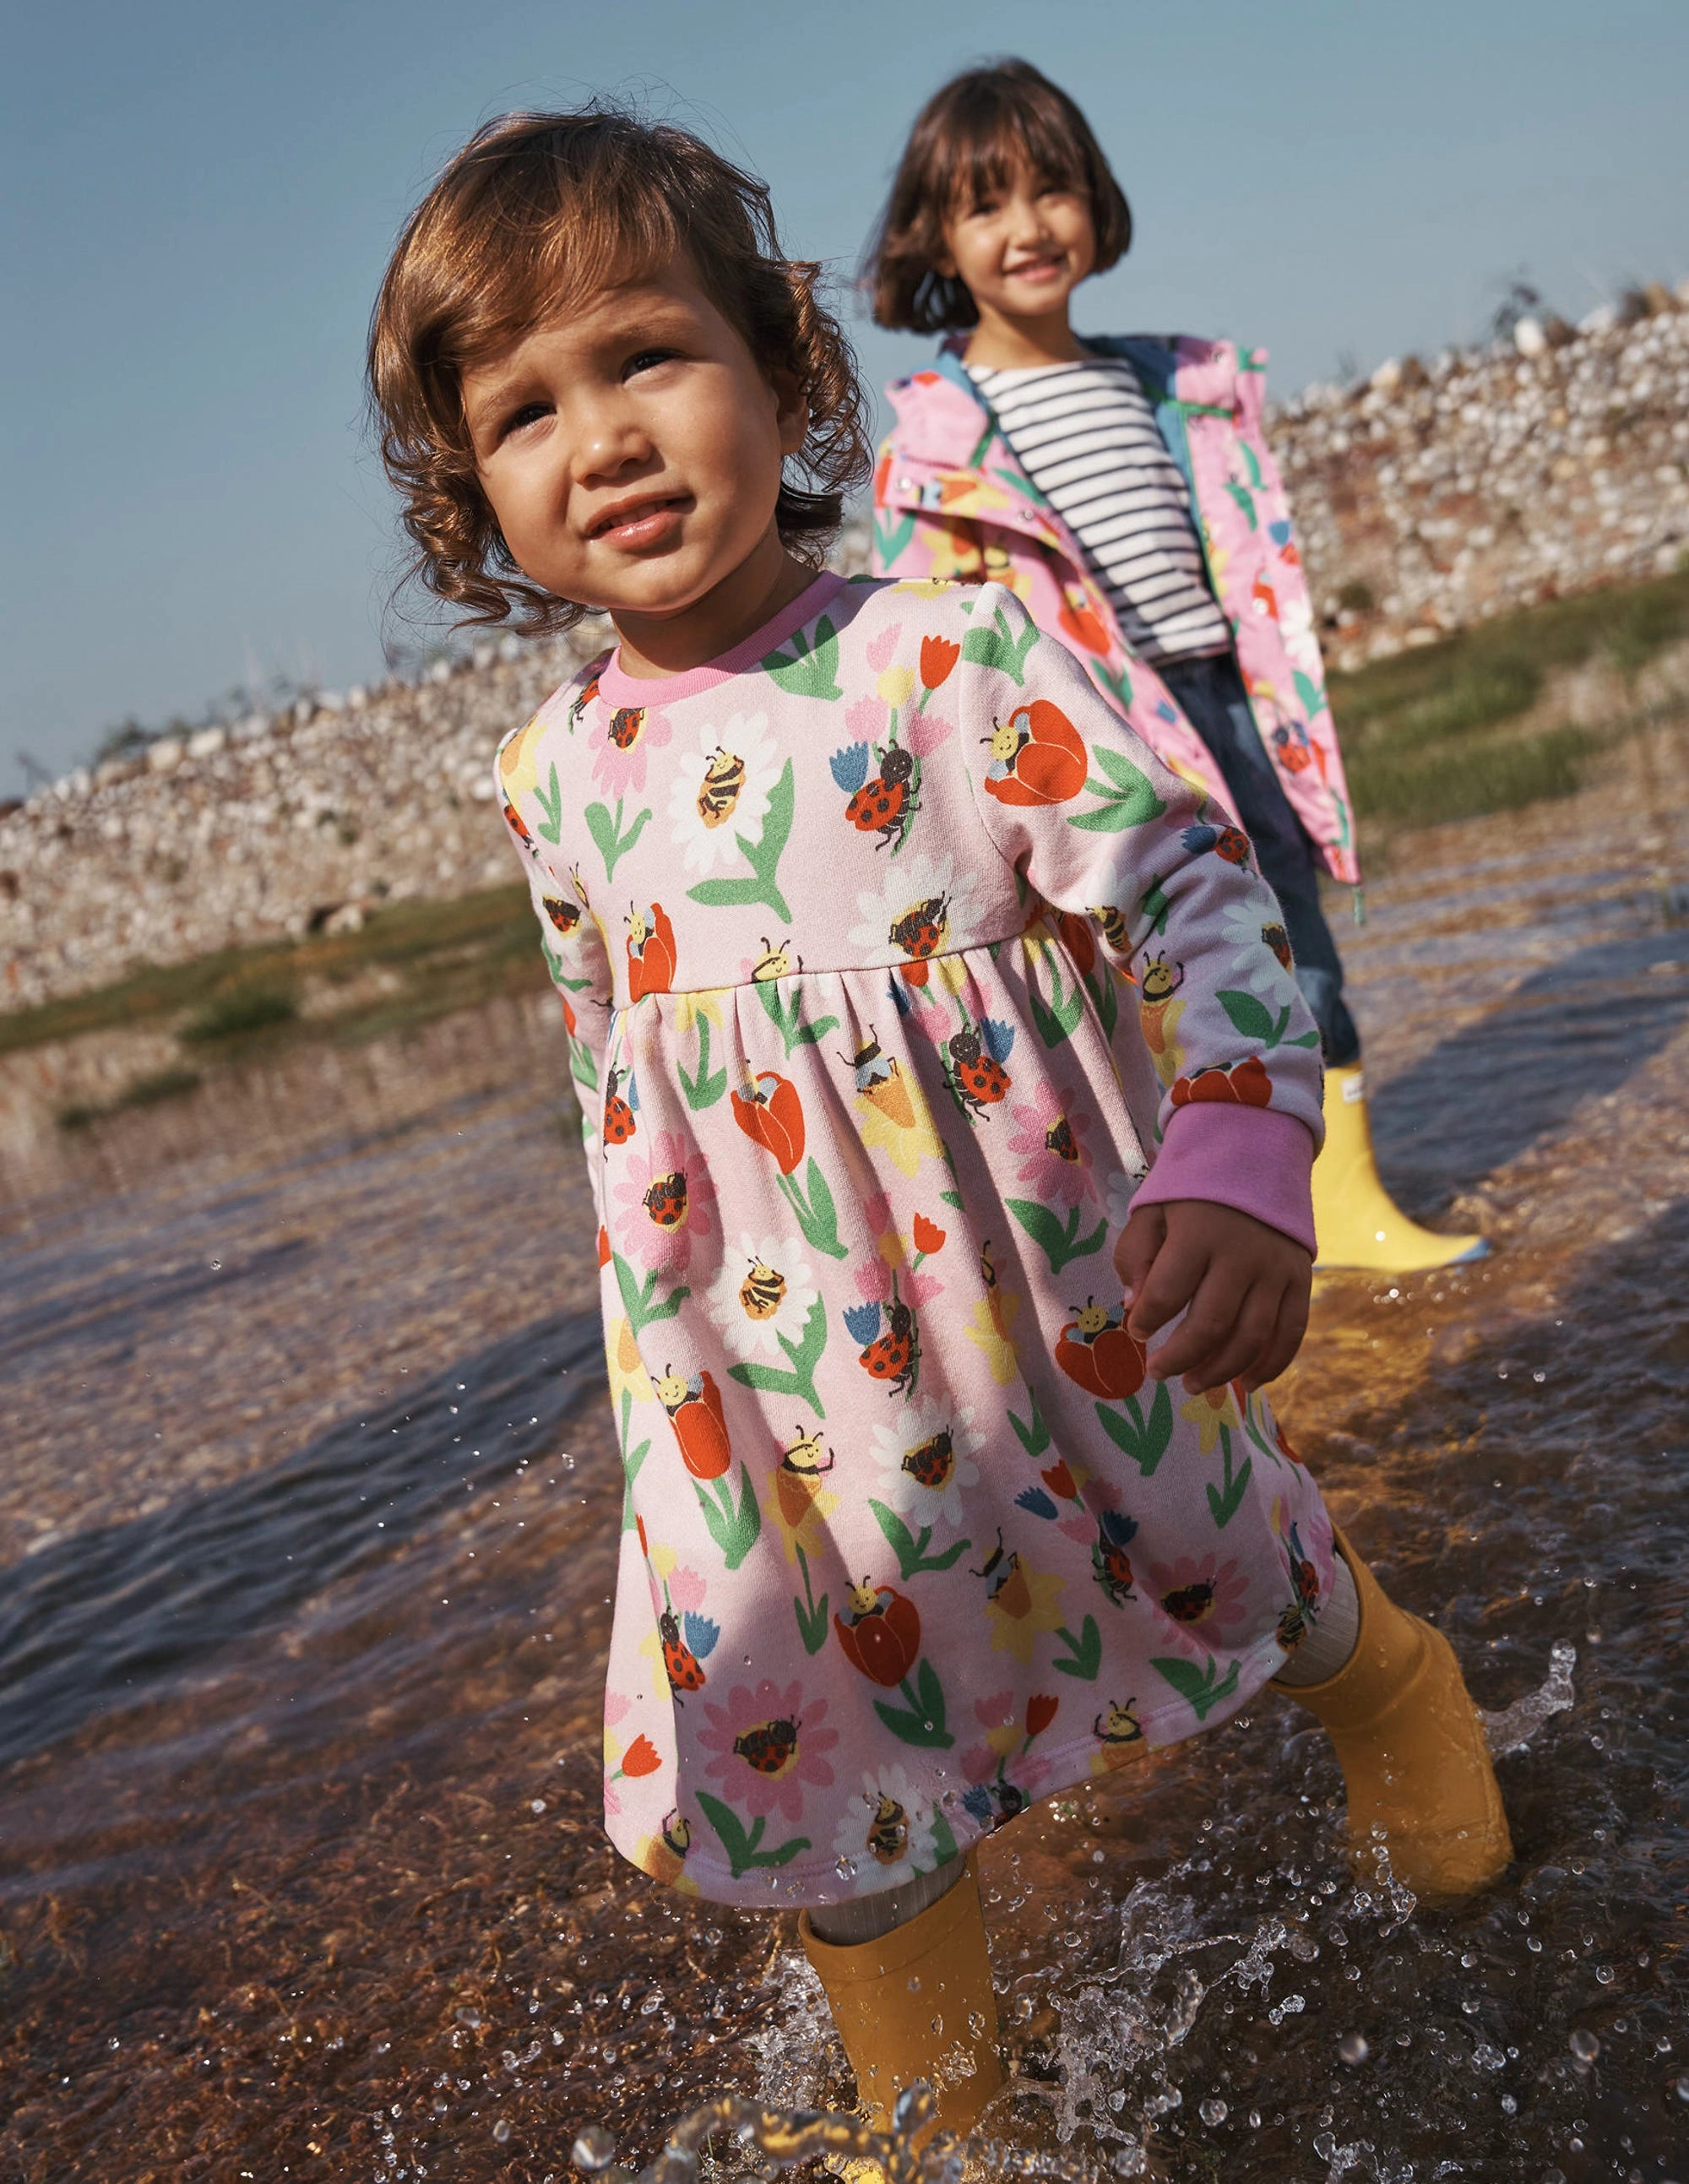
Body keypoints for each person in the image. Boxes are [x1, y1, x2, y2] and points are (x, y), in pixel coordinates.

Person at [367, 107, 1511, 2157]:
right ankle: (944, 2105)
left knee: (1217, 1544)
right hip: (766, 1365)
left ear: (780, 358)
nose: (603, 438)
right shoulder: (552, 773)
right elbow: (610, 1061)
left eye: (644, 356)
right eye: (524, 409)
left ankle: (1387, 1680)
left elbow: (1195, 879)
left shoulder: (940, 654)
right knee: (801, 1706)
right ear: (473, 492)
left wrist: (1241, 1141)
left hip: (1056, 1286)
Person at [863, 58, 1484, 1278]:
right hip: (1093, 736)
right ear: (937, 236)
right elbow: (928, 625)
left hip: (1226, 703)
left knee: (1294, 936)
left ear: (1096, 200)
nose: (1029, 227)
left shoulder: (1166, 385)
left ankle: (1343, 1203)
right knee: (1146, 982)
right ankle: (1185, 1220)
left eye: (1053, 190)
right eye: (988, 204)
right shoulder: (941, 433)